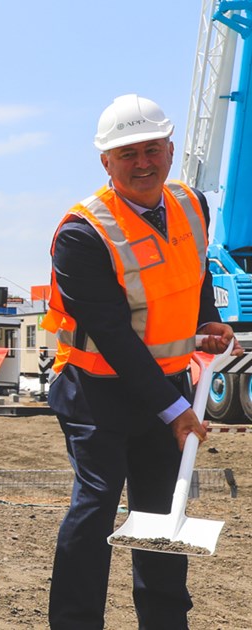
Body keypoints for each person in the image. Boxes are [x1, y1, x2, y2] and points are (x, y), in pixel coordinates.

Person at [44, 94, 233, 630]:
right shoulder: (82, 234)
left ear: (171, 149)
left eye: (153, 149)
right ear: (106, 162)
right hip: (94, 389)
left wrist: (209, 319)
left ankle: (166, 621)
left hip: (165, 383)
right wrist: (176, 412)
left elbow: (190, 275)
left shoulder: (192, 204)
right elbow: (114, 339)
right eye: (129, 154)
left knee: (162, 511)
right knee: (97, 504)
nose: (144, 163)